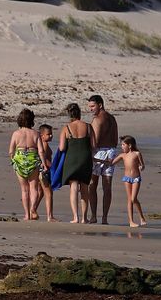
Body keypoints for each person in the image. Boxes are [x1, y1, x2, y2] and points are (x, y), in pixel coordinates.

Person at [55, 103, 95, 224]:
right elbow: (94, 145)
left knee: (73, 188)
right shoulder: (88, 127)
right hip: (85, 158)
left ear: (69, 114)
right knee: (84, 188)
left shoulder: (66, 128)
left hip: (71, 159)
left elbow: (62, 148)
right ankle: (84, 218)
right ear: (80, 113)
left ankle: (75, 217)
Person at [8, 109, 48, 220]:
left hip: (20, 159)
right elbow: (41, 151)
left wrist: (13, 161)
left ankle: (27, 214)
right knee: (34, 187)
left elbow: (11, 151)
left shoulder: (16, 134)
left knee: (24, 189)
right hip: (32, 159)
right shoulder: (35, 133)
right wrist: (44, 163)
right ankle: (33, 209)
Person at [87, 95, 119, 224]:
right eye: (89, 107)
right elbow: (116, 139)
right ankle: (104, 218)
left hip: (99, 153)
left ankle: (94, 216)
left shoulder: (97, 120)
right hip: (111, 151)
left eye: (92, 106)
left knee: (92, 185)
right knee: (107, 187)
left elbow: (95, 142)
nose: (90, 109)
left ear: (100, 105)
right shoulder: (112, 118)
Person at [110, 136, 148, 227]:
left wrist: (141, 167)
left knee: (133, 198)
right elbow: (112, 162)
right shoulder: (122, 155)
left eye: (123, 145)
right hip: (127, 179)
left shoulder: (137, 154)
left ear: (129, 145)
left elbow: (142, 165)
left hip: (136, 178)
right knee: (129, 199)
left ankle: (141, 218)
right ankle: (131, 221)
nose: (122, 147)